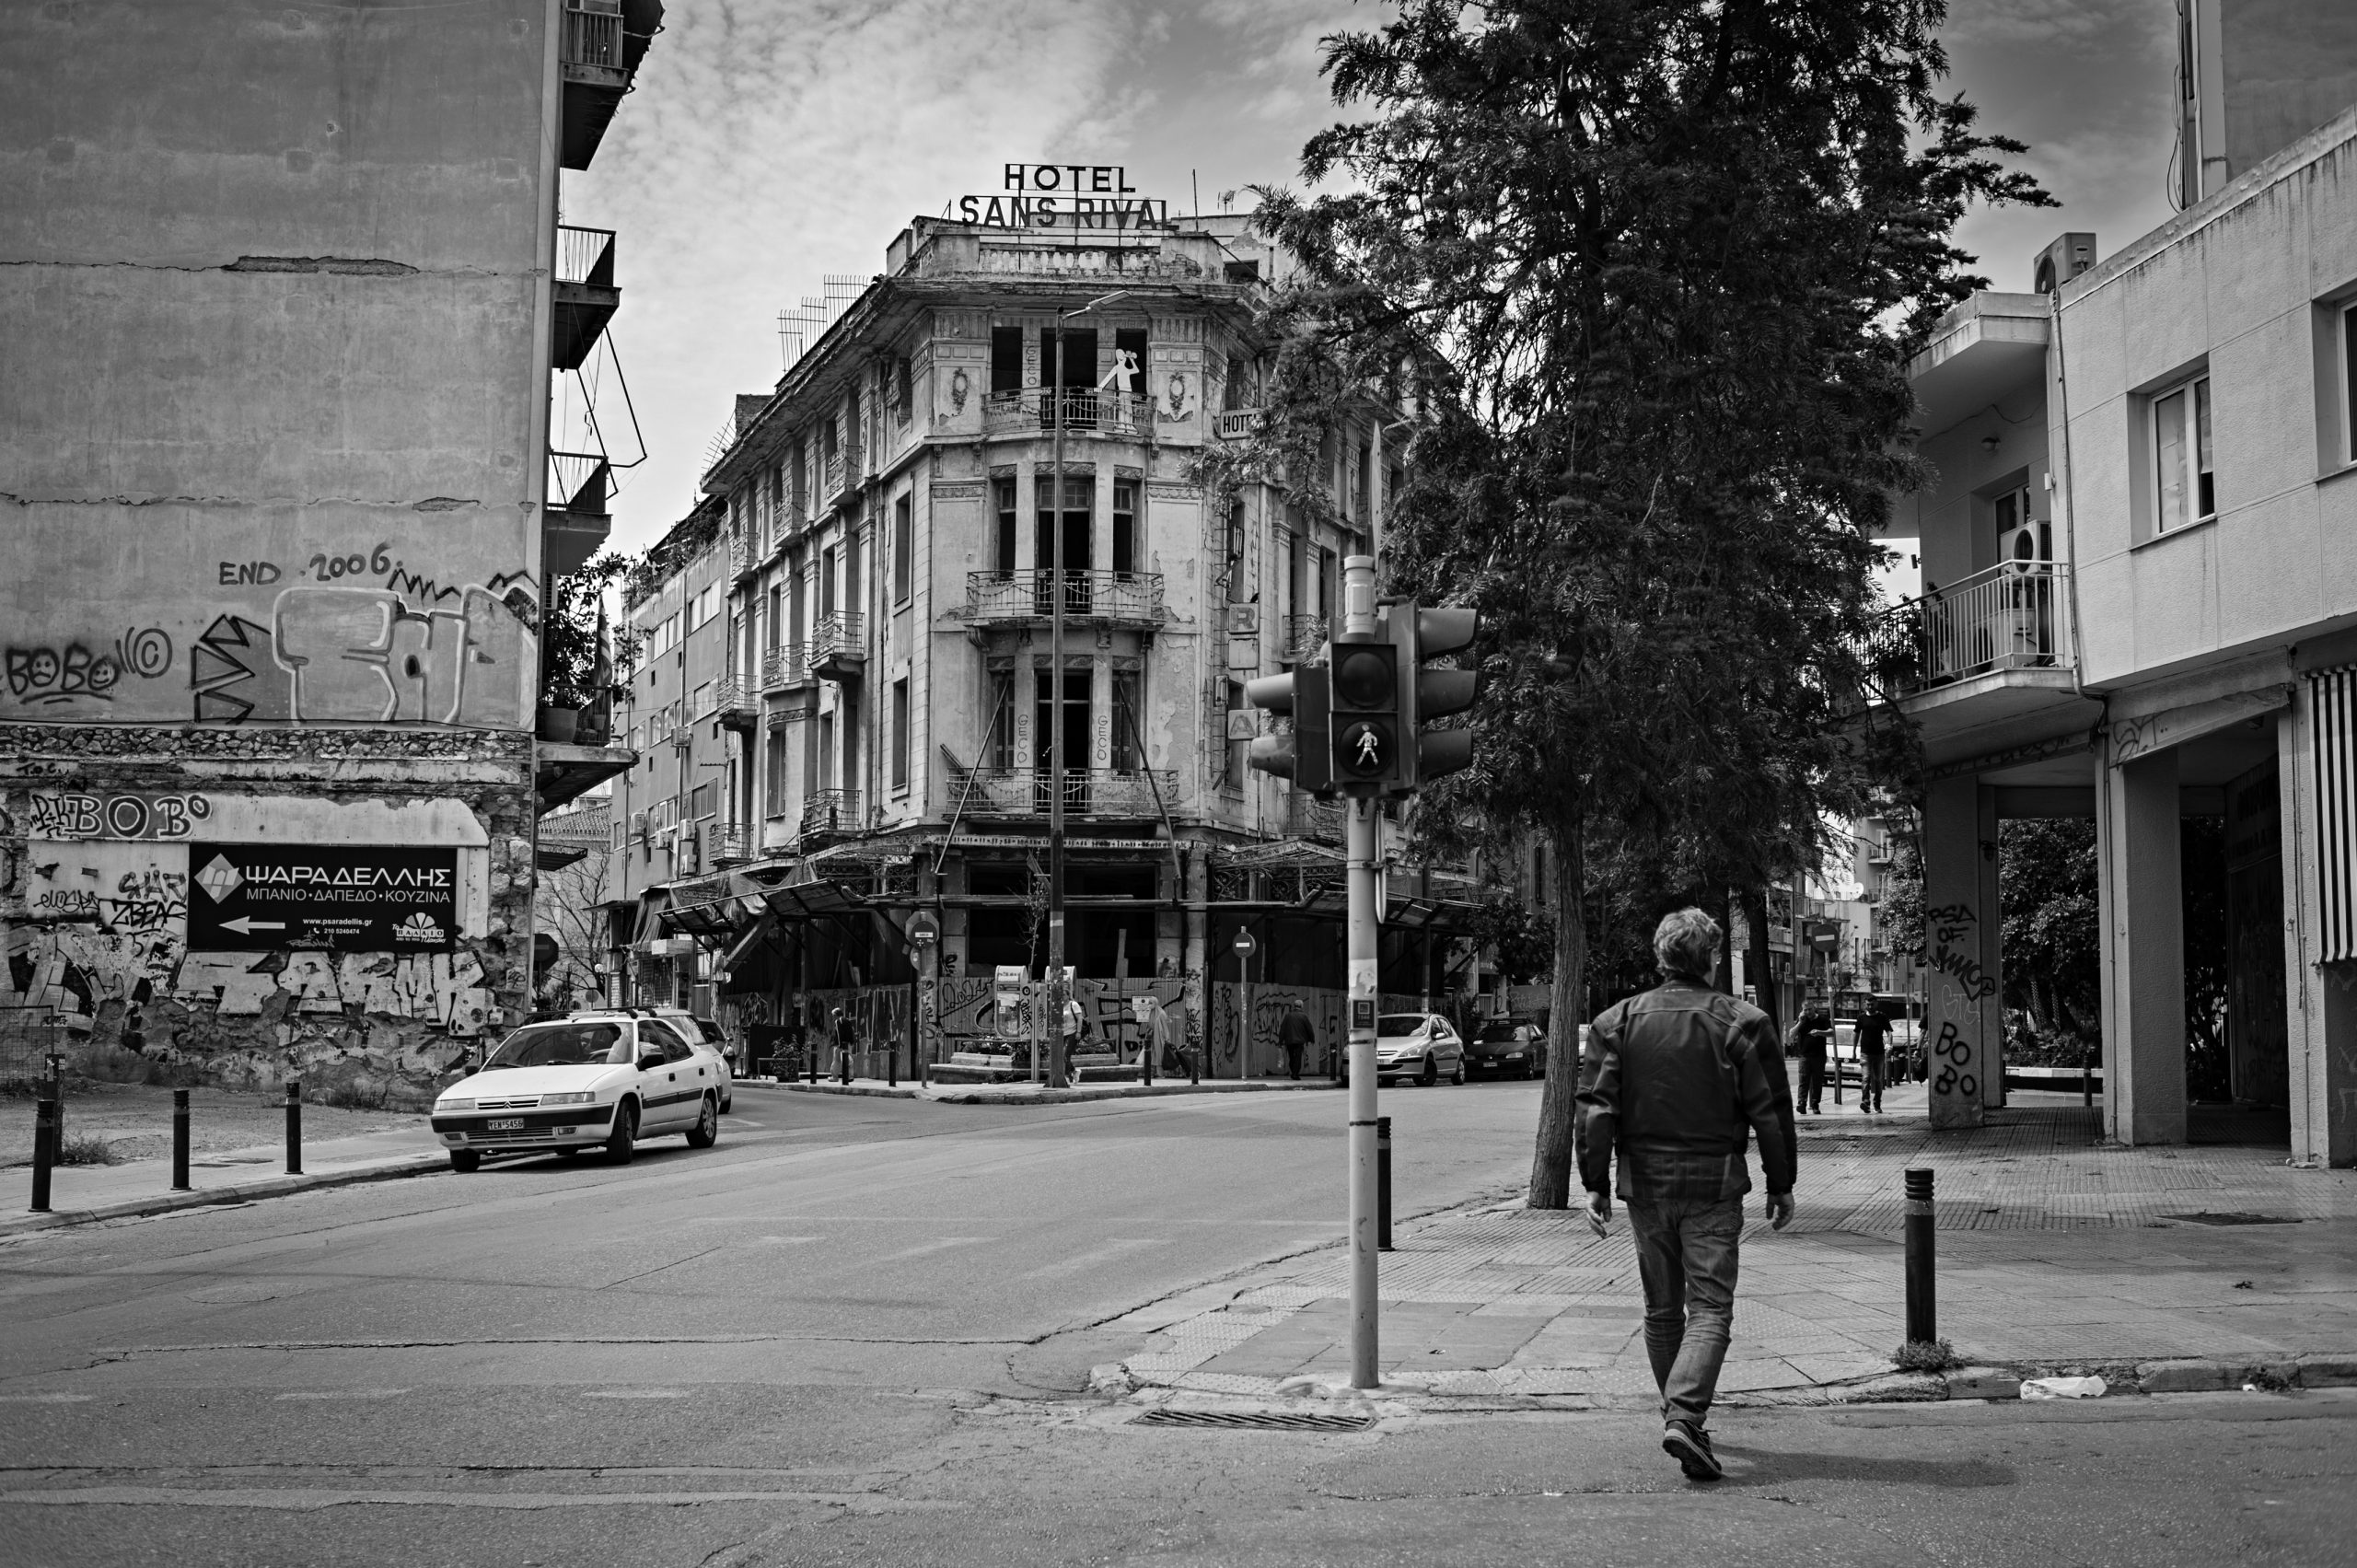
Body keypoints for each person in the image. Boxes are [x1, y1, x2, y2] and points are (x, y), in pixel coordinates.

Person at [1577, 907, 1795, 1482]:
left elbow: (1597, 1109)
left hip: (1645, 1186)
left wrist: (1594, 1183)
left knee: (1661, 1309)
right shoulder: (1743, 1023)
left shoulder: (1616, 1022)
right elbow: (1771, 1112)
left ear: (1660, 956)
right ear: (1712, 958)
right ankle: (1685, 1415)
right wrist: (1781, 1183)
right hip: (1714, 1185)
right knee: (1711, 1308)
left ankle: (1679, 1415)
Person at [1791, 1006, 1832, 1114]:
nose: (1808, 1012)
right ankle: (1802, 1103)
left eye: (1810, 1009)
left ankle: (1815, 1104)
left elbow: (1831, 1032)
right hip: (1804, 1056)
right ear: (1802, 1011)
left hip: (1819, 1056)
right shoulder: (1802, 1021)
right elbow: (1791, 1034)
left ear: (1814, 1009)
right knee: (1803, 1080)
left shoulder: (1822, 1019)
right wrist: (1800, 1022)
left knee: (1817, 1081)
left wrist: (1819, 1032)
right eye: (1805, 1010)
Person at [1853, 1003, 1891, 1114]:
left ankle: (1877, 1103)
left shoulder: (1882, 1017)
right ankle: (1866, 1102)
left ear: (1876, 1004)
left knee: (1878, 1079)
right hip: (1865, 1053)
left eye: (1872, 1004)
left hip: (1879, 1053)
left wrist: (1889, 1044)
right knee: (1866, 1078)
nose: (1870, 1007)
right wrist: (1854, 1050)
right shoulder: (1861, 1017)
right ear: (1865, 1005)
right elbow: (1856, 1033)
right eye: (1868, 1005)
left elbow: (1889, 1032)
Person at [1277, 1001, 1315, 1081]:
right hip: (1299, 1041)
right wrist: (1312, 1039)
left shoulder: (1288, 1016)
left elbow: (1282, 1028)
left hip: (1289, 1040)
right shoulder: (1304, 1016)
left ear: (1294, 1006)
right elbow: (1309, 1029)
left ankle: (1293, 1072)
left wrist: (1280, 1040)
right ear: (1301, 1006)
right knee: (1298, 1058)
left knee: (1291, 1057)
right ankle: (1295, 1074)